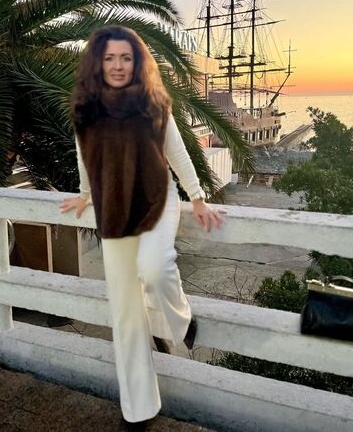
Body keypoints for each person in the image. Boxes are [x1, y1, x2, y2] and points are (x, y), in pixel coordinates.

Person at [59, 26, 225, 429]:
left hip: (157, 199)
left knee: (155, 268)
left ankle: (182, 320)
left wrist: (197, 196)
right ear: (98, 63)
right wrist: (85, 194)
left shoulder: (155, 104)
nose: (118, 65)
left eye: (126, 57)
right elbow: (85, 158)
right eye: (109, 58)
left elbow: (178, 153)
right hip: (112, 209)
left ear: (137, 62)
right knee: (126, 313)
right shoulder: (86, 110)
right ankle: (138, 409)